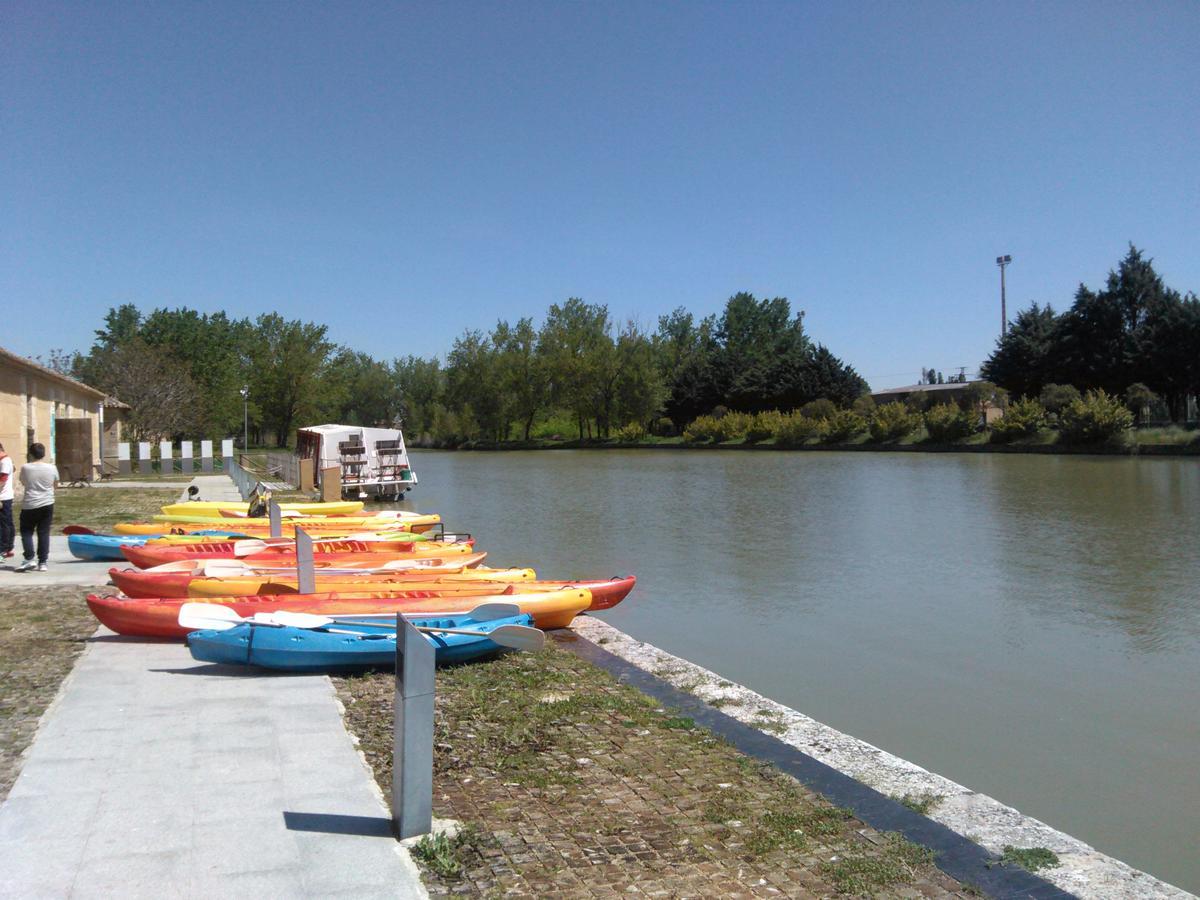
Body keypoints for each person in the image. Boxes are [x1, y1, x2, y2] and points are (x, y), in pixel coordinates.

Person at [17, 443, 58, 573]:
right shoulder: (52, 468)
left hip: (30, 503)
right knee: (43, 532)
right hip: (47, 503)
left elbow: (23, 482)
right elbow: (55, 483)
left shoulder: (26, 467)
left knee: (26, 531)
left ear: (30, 453)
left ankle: (29, 558)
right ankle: (43, 562)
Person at [0, 443, 13, 559]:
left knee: (4, 524)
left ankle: (4, 549)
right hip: (4, 496)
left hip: (3, 497)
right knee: (6, 523)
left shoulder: (4, 461)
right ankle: (8, 547)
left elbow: (2, 480)